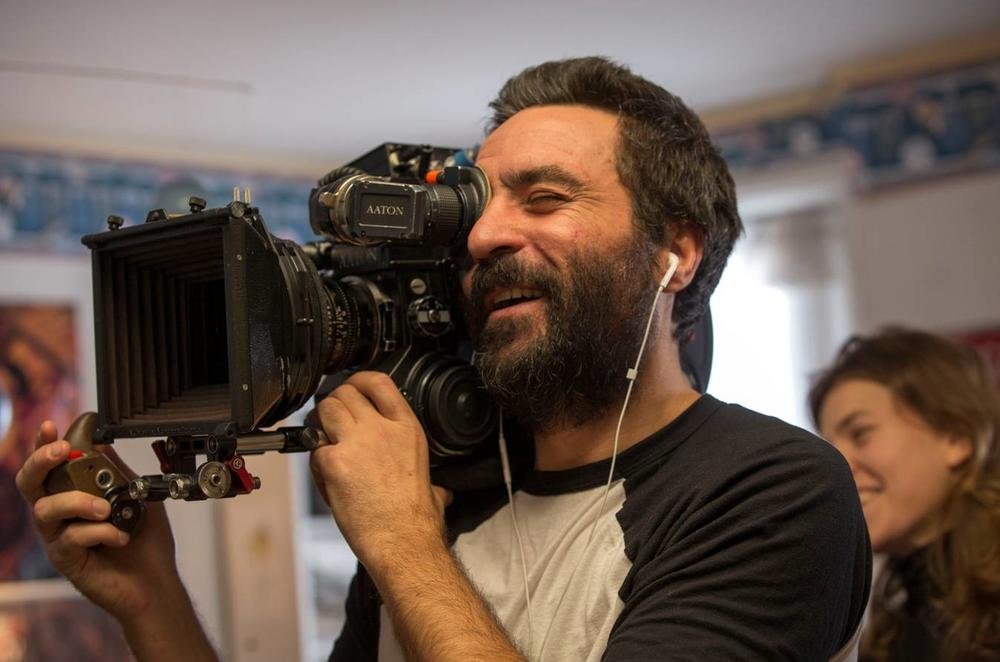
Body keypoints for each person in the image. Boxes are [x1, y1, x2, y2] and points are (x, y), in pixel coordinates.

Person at [17, 56, 870, 661]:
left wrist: (402, 544)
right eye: (477, 211)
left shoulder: (775, 489)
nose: (486, 236)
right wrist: (150, 598)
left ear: (673, 255)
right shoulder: (448, 495)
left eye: (545, 198)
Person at [810, 326, 1000, 661]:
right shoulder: (897, 621)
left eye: (861, 433)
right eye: (829, 448)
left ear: (956, 437)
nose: (836, 467)